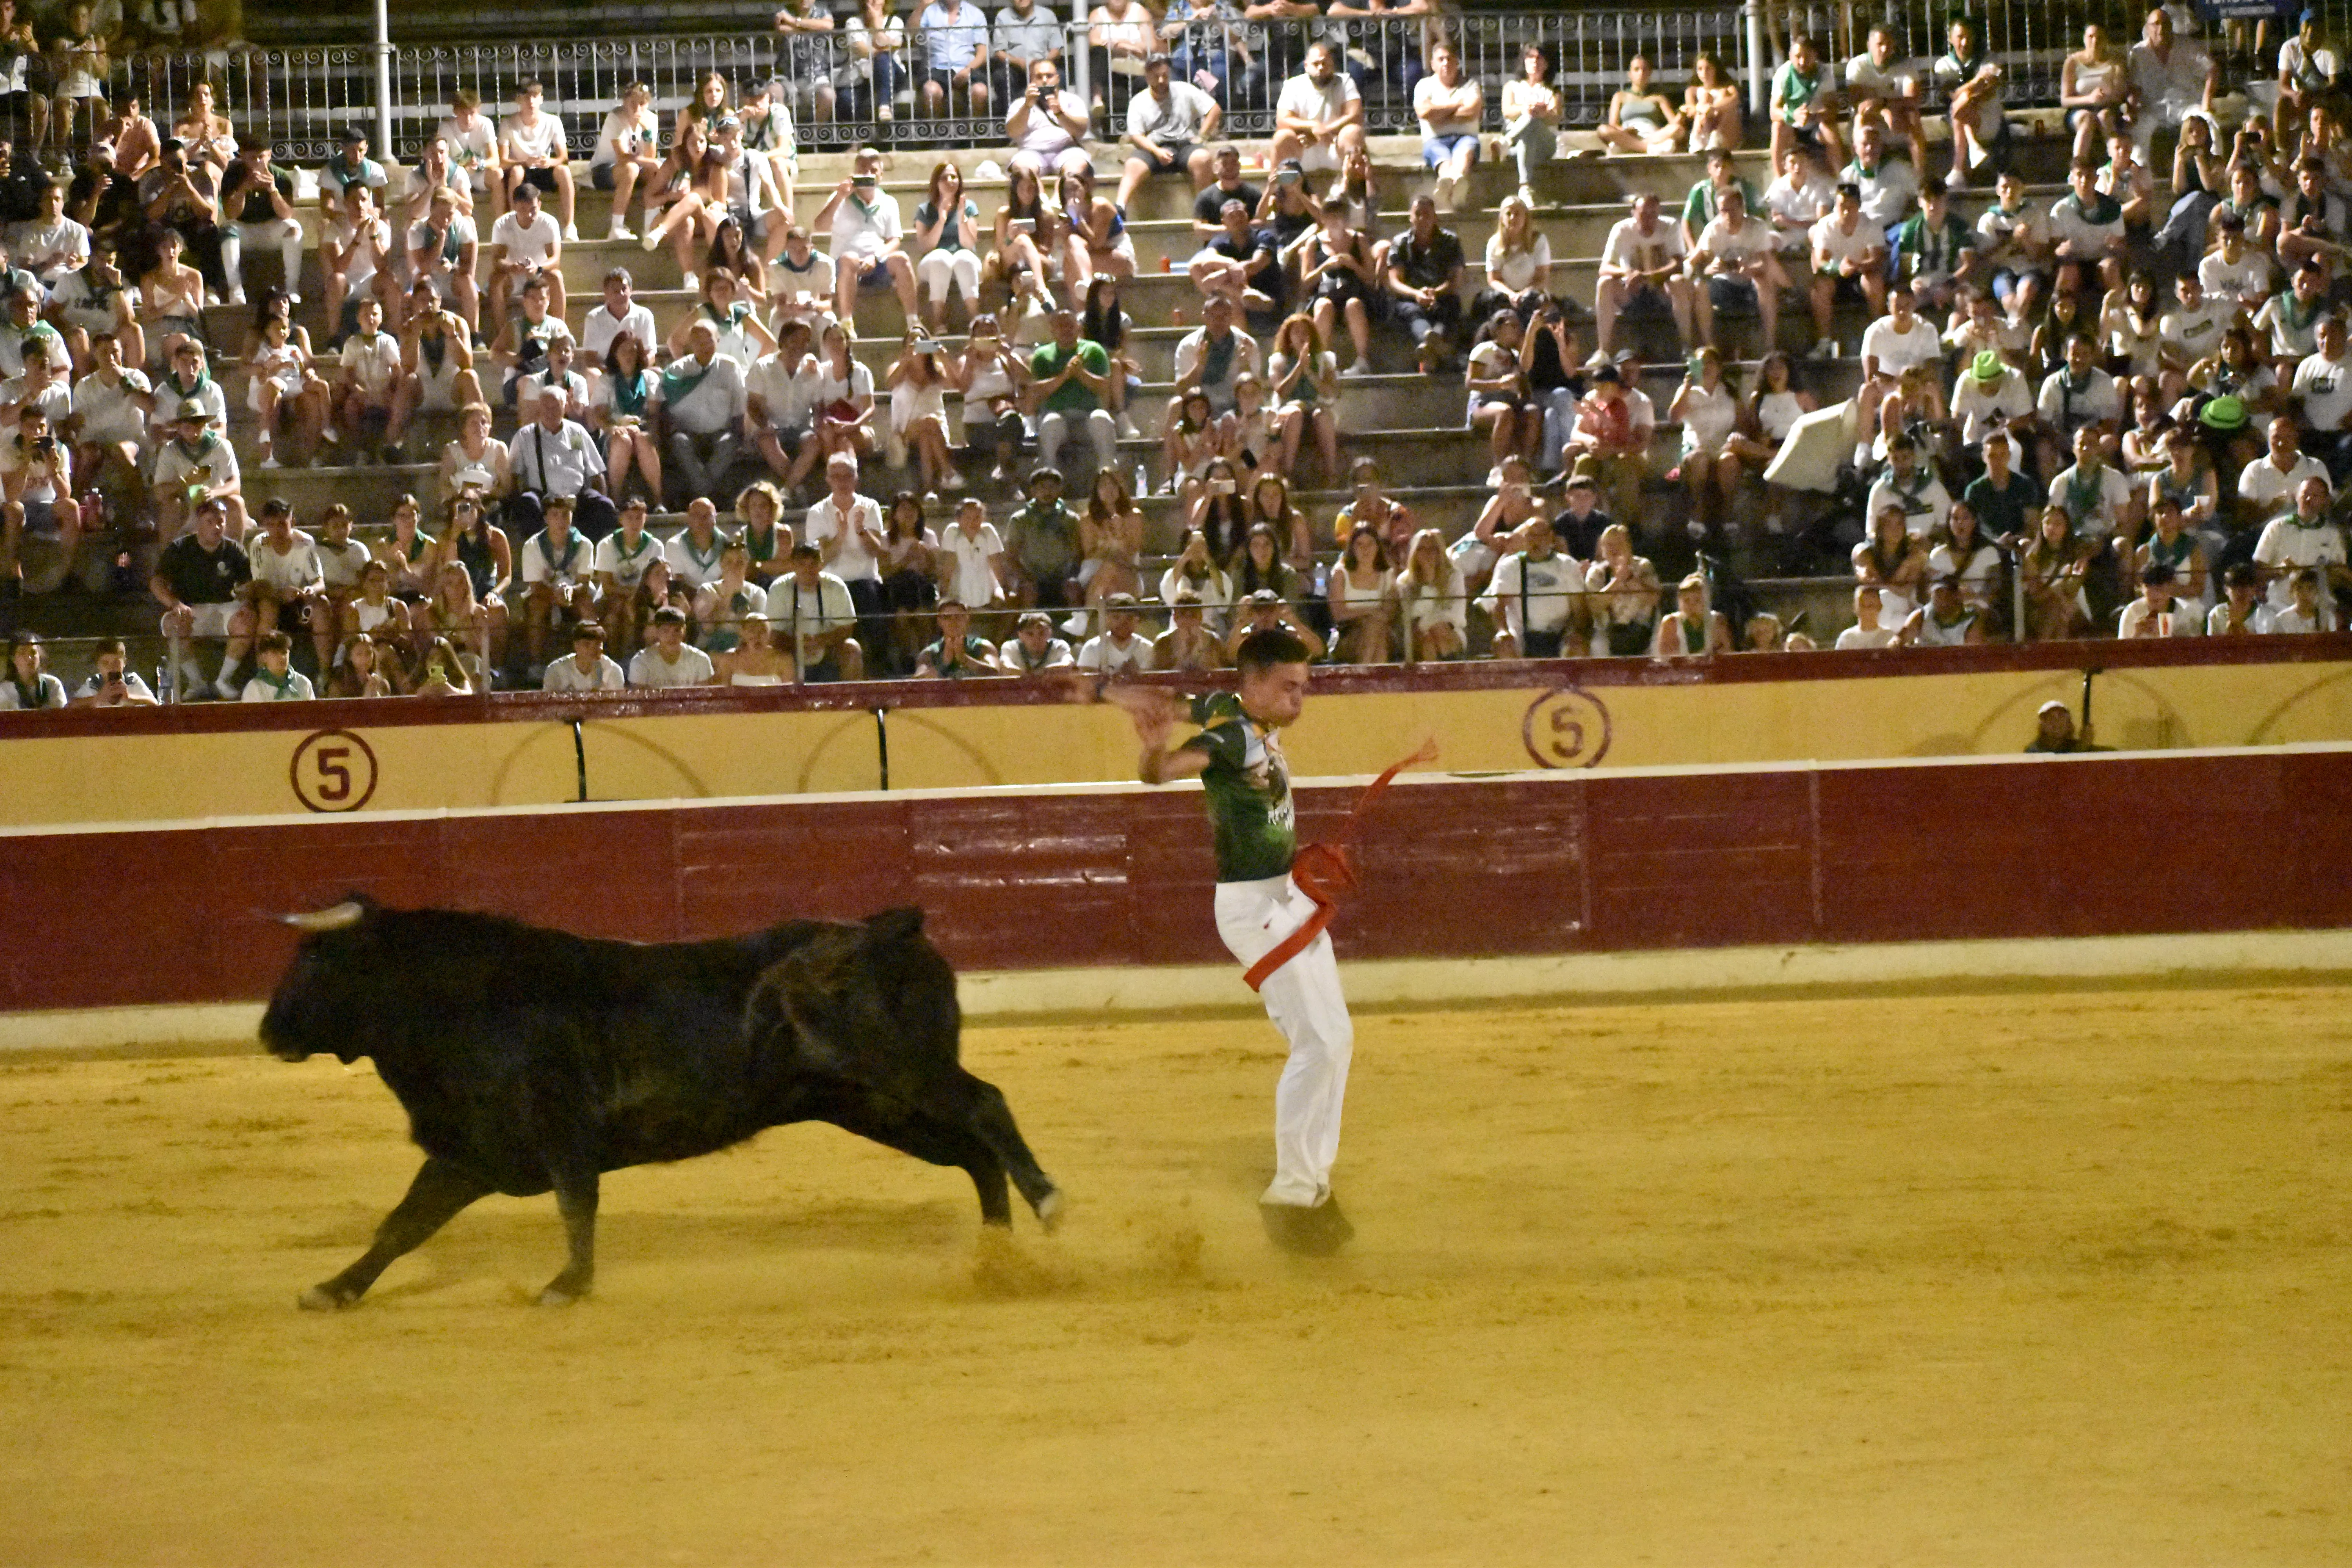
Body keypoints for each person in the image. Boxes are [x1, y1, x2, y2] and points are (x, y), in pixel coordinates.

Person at [1109, 628, 1428, 1251]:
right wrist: (1151, 749)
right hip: (1254, 908)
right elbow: (1165, 773)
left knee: (1335, 1038)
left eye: (1304, 687)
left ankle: (1310, 1186)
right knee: (1317, 1041)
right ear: (1252, 681)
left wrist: (1127, 695)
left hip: (1285, 894)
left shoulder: (1228, 711)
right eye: (1288, 687)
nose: (1299, 700)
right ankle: (1292, 1192)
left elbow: (1183, 704)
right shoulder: (1228, 737)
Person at [817, 146, 917, 328]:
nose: (868, 175)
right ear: (854, 174)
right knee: (850, 258)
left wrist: (876, 257)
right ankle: (847, 322)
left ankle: (913, 322)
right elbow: (820, 226)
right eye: (863, 171)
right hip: (845, 265)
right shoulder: (840, 198)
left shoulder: (888, 202)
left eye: (873, 171)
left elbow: (895, 239)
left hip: (876, 263)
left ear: (881, 175)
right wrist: (840, 196)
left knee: (902, 259)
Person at [1118, 53, 1219, 213]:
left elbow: (1214, 110)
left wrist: (1202, 136)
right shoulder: (1138, 101)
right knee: (1133, 165)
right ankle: (1120, 207)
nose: (1161, 81)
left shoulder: (1185, 90)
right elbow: (1136, 136)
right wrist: (1157, 151)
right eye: (1156, 77)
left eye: (1165, 76)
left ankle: (1204, 210)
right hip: (1153, 146)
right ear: (1147, 77)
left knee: (1203, 159)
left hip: (1185, 144)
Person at [766, 540, 867, 680]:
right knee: (770, 653)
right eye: (802, 564)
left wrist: (820, 641)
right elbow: (773, 634)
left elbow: (846, 628)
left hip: (828, 648)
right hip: (790, 649)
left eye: (813, 564)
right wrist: (798, 643)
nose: (808, 570)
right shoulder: (779, 589)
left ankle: (850, 700)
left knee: (852, 649)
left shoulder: (836, 586)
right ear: (793, 565)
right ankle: (786, 700)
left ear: (821, 564)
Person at [1412, 40, 1481, 213]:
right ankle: (1452, 184)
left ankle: (1454, 181)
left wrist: (1438, 114)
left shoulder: (1471, 85)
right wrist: (1457, 105)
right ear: (1433, 64)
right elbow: (1424, 112)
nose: (1446, 63)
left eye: (1450, 59)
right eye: (1441, 59)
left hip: (1465, 138)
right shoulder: (1424, 85)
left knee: (1466, 149)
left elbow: (1471, 112)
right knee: (1439, 153)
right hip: (1436, 140)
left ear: (1457, 62)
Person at [914, 596, 1005, 678]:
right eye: (947, 617)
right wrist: (944, 663)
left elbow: (995, 673)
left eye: (958, 617)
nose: (953, 622)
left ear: (967, 619)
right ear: (939, 621)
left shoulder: (983, 646)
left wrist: (965, 660)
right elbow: (917, 681)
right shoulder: (929, 653)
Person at [2025, 698, 2096, 752]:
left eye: (2061, 717)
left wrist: (2085, 746)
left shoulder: (2077, 747)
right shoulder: (2034, 751)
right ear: (2042, 726)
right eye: (2050, 718)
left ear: (2069, 724)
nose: (2056, 722)